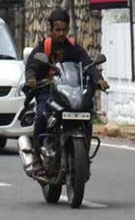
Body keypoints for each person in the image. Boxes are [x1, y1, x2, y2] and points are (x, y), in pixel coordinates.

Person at [24, 8, 109, 161]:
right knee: (42, 115)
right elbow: (32, 65)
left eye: (64, 30)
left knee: (87, 112)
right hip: (48, 90)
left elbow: (88, 65)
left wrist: (99, 80)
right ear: (51, 30)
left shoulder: (74, 48)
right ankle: (37, 156)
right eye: (57, 30)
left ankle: (84, 152)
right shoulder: (44, 47)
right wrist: (31, 78)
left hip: (68, 92)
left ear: (68, 29)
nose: (61, 33)